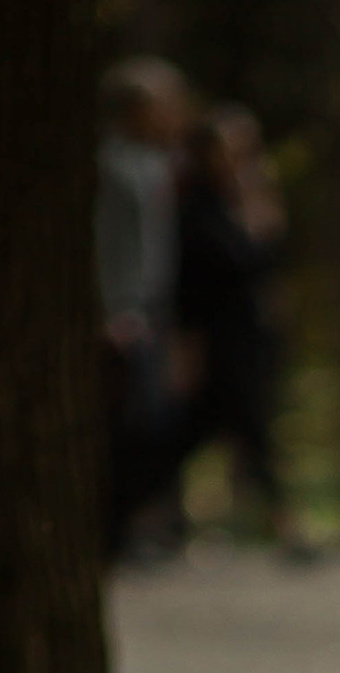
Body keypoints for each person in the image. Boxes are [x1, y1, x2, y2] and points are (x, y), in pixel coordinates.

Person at [169, 105, 311, 557]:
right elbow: (204, 280)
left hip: (250, 337)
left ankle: (125, 511)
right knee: (238, 429)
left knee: (220, 429)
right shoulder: (198, 210)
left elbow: (268, 267)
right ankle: (286, 527)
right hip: (218, 339)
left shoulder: (245, 203)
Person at [97, 57, 191, 562]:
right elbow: (106, 242)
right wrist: (112, 309)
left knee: (159, 424)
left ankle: (128, 527)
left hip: (155, 310)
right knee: (136, 425)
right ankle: (112, 531)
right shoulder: (109, 165)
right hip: (125, 313)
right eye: (164, 105)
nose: (174, 114)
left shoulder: (160, 165)